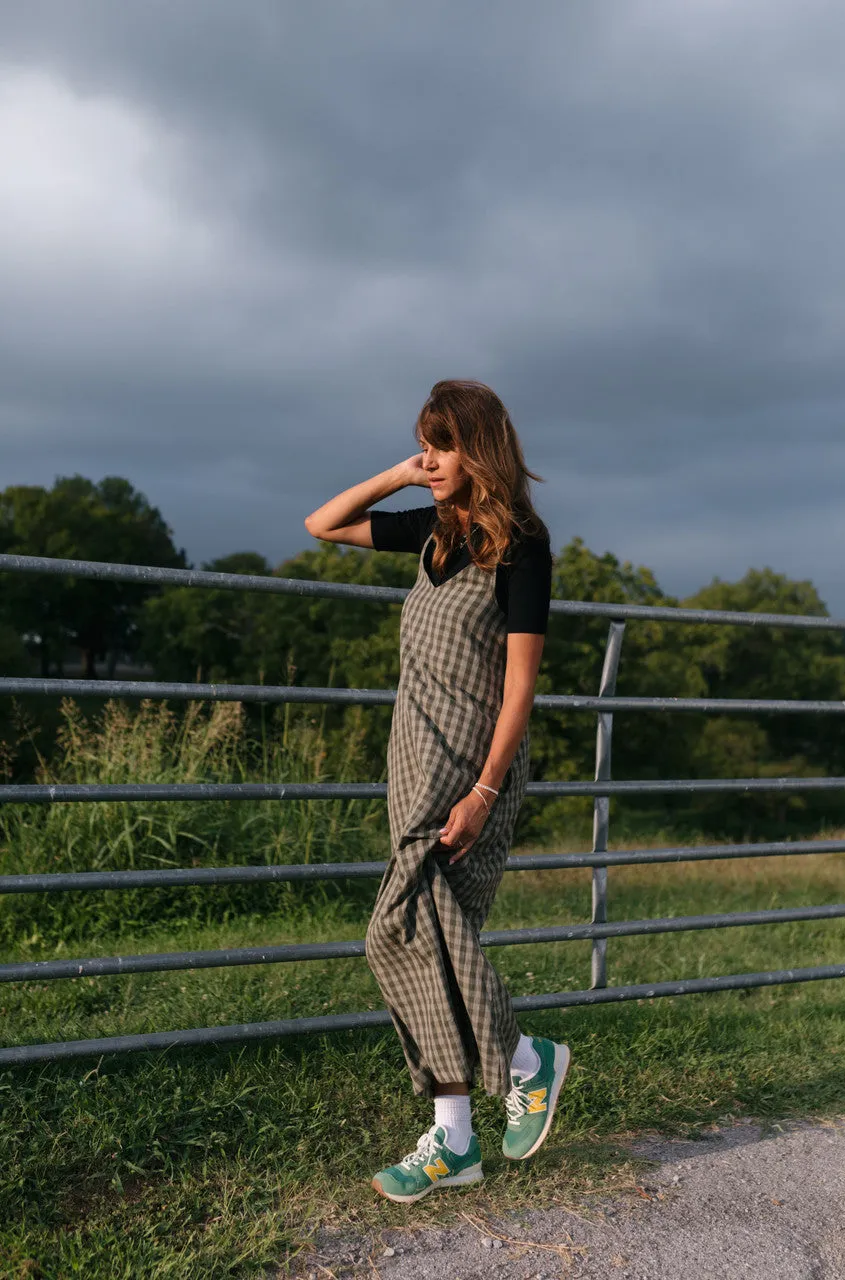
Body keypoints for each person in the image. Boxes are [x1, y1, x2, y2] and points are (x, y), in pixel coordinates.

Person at [304, 379, 571, 1204]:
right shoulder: (432, 529)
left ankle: (527, 1062)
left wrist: (485, 791)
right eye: (426, 441)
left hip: (471, 771)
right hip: (412, 762)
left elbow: (521, 688)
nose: (433, 458)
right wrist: (398, 475)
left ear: (481, 447)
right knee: (421, 945)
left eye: (445, 444)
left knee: (397, 932)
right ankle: (456, 1137)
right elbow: (323, 524)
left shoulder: (520, 544)